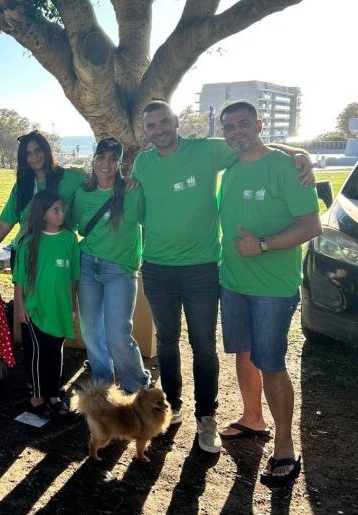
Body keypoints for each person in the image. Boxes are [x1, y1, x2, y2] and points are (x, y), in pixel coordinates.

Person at [133, 100, 314, 454]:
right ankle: (172, 407)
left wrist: (299, 151)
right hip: (156, 268)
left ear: (176, 121)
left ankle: (207, 417)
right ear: (146, 131)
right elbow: (134, 204)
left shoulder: (206, 151)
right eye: (151, 126)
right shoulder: (143, 163)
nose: (159, 130)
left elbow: (253, 145)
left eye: (163, 122)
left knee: (203, 344)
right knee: (167, 341)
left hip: (202, 268)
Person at [216, 101, 320, 486]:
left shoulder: (284, 166)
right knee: (243, 353)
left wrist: (262, 245)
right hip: (233, 283)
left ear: (259, 124)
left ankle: (285, 446)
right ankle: (252, 419)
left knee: (271, 362)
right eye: (229, 126)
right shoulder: (229, 168)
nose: (236, 131)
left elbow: (311, 226)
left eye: (243, 124)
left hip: (272, 289)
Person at [73, 137, 151, 393]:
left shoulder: (132, 191)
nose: (105, 163)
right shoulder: (83, 195)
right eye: (101, 157)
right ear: (93, 160)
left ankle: (137, 388)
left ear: (119, 164)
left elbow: (150, 222)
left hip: (120, 270)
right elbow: (70, 226)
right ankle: (103, 387)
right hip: (87, 266)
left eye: (112, 159)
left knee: (117, 336)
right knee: (92, 333)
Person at [0, 130, 86, 275]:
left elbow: (100, 186)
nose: (34, 157)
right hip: (25, 255)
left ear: (46, 151)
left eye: (38, 150)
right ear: (23, 158)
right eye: (28, 153)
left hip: (58, 255)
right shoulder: (21, 187)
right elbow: (4, 224)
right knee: (25, 298)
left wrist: (124, 183)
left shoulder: (71, 178)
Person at [13, 189, 80, 418]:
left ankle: (54, 395)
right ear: (42, 214)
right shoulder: (28, 242)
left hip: (59, 310)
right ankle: (37, 397)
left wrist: (72, 306)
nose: (61, 214)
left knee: (56, 352)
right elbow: (19, 279)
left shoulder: (70, 239)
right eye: (55, 210)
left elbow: (73, 277)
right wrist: (21, 307)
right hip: (36, 309)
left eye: (62, 209)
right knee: (39, 353)